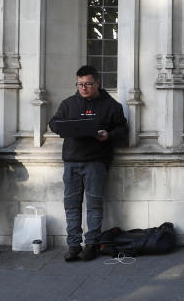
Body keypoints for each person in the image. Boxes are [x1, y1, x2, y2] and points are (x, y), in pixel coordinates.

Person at [49, 65, 128, 262]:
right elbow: (54, 123)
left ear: (98, 83)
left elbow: (122, 130)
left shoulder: (112, 106)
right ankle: (73, 245)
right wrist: (64, 128)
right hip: (72, 161)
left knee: (94, 204)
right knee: (71, 205)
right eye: (80, 84)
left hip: (96, 162)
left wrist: (108, 135)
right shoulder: (69, 104)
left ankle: (91, 244)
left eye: (88, 84)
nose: (83, 88)